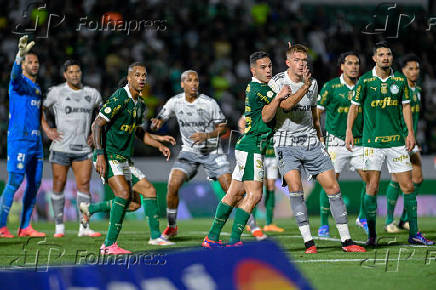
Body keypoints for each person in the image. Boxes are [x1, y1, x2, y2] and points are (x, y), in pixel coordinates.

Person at [268, 44, 365, 253]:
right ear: (288, 62)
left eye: (304, 60)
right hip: (285, 143)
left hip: (311, 142)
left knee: (334, 188)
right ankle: (309, 242)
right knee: (296, 188)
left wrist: (319, 135)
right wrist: (304, 86)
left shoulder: (313, 84)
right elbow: (285, 106)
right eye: (297, 60)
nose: (302, 63)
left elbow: (313, 112)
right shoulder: (277, 82)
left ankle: (347, 241)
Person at [346, 41, 433, 246]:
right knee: (372, 187)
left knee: (408, 186)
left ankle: (414, 233)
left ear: (392, 58)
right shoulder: (365, 81)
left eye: (388, 54)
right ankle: (372, 236)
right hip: (372, 143)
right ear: (374, 58)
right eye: (381, 54)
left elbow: (406, 109)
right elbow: (354, 108)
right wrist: (349, 130)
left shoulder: (400, 80)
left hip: (396, 142)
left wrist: (410, 133)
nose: (385, 57)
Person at [202, 51, 290, 248]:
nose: (268, 70)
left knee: (233, 195)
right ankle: (234, 241)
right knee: (255, 195)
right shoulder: (260, 89)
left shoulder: (261, 86)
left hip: (247, 146)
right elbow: (269, 116)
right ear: (253, 70)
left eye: (269, 66)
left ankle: (211, 238)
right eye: (263, 67)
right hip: (253, 147)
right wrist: (281, 96)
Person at [86, 62, 171, 254]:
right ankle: (108, 245)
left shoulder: (140, 104)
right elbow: (97, 124)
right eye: (138, 75)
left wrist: (159, 144)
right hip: (108, 155)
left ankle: (156, 237)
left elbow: (138, 132)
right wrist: (99, 154)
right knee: (124, 194)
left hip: (124, 158)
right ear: (130, 77)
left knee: (142, 196)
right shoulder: (120, 97)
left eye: (144, 76)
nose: (142, 79)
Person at [151, 70, 237, 240]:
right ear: (182, 84)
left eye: (196, 80)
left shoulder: (208, 103)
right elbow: (162, 116)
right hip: (189, 151)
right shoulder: (175, 101)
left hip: (212, 151)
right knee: (173, 183)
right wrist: (158, 122)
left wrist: (206, 135)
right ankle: (172, 227)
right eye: (189, 80)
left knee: (230, 188)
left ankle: (252, 226)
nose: (194, 83)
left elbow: (222, 127)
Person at [41, 60, 102, 238]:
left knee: (84, 185)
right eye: (71, 72)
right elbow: (39, 109)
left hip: (83, 149)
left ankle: (84, 227)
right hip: (60, 147)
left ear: (81, 73)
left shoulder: (92, 93)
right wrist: (47, 129)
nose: (75, 74)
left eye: (77, 71)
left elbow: (103, 113)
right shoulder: (56, 92)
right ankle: (59, 226)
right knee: (59, 185)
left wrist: (95, 130)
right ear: (65, 74)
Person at [316, 52, 369, 237]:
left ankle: (362, 217)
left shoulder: (364, 85)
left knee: (370, 181)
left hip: (360, 140)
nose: (354, 66)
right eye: (350, 63)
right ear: (342, 67)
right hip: (336, 141)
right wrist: (318, 135)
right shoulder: (331, 87)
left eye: (356, 63)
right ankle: (324, 224)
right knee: (330, 182)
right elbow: (317, 112)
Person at [0, 36, 45, 238]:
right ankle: (1, 227)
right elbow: (14, 74)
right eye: (30, 62)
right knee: (15, 181)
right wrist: (19, 56)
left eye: (36, 62)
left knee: (34, 183)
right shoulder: (17, 84)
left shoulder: (37, 88)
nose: (34, 65)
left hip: (36, 142)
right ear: (24, 65)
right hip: (19, 140)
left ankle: (25, 227)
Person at [385, 54, 423, 233]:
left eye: (416, 68)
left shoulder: (418, 90)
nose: (414, 72)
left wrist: (414, 137)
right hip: (398, 140)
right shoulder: (397, 88)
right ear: (403, 71)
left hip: (411, 140)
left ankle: (403, 220)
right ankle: (389, 221)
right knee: (396, 180)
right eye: (410, 68)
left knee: (417, 179)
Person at [238, 116, 283, 236]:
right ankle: (250, 222)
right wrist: (245, 135)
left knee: (271, 187)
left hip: (272, 155)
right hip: (259, 153)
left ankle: (269, 223)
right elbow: (242, 121)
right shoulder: (259, 107)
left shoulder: (276, 110)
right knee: (255, 188)